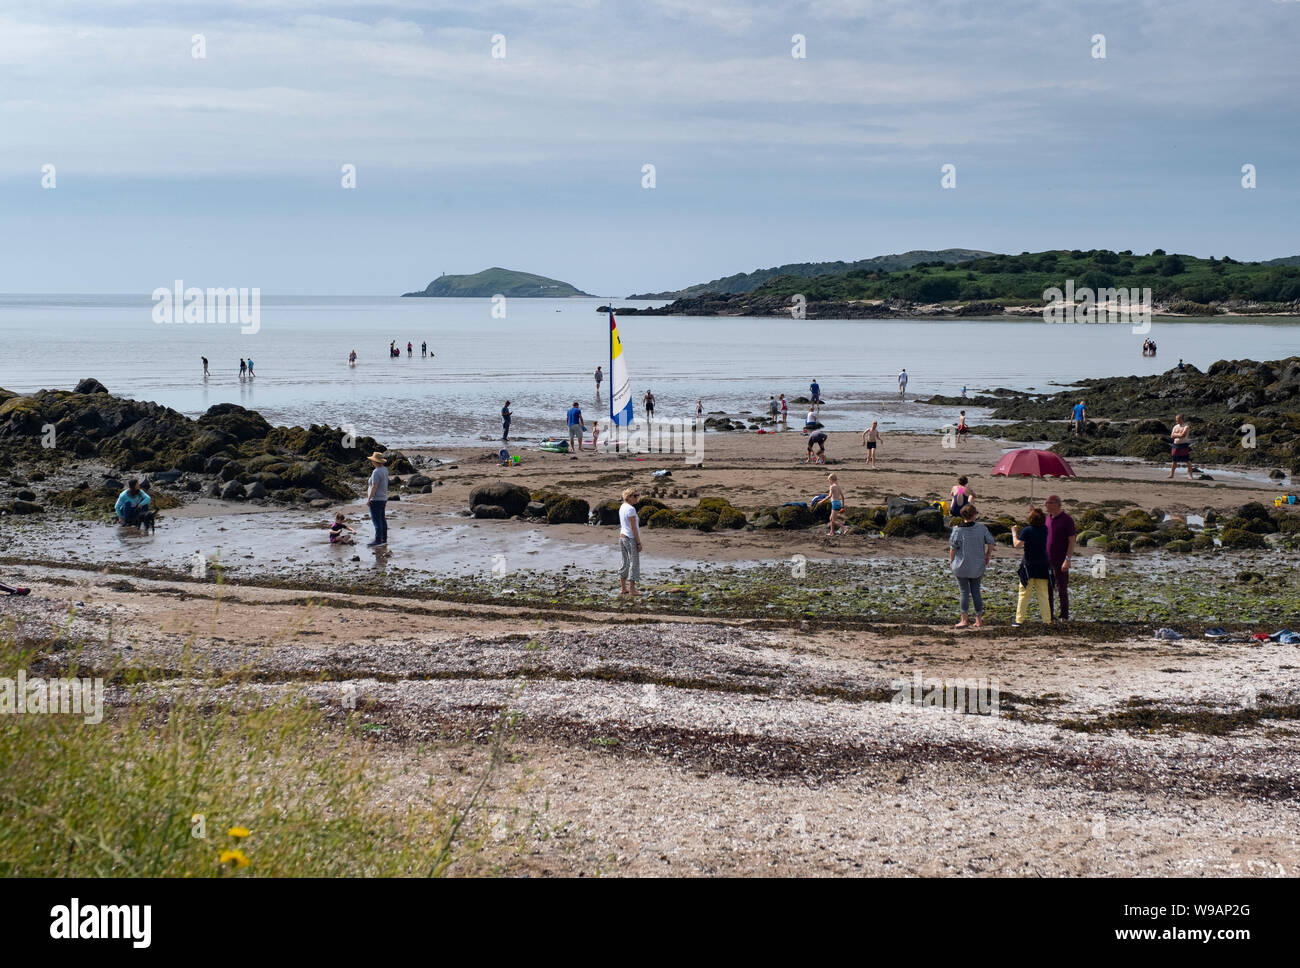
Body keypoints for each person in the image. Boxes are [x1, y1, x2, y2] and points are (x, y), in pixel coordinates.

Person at [948, 503, 995, 629]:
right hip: (977, 565)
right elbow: (991, 542)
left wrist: (951, 561)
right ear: (974, 515)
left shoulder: (957, 530)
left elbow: (953, 548)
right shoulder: (981, 528)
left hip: (961, 565)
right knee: (976, 591)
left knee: (964, 591)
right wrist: (988, 555)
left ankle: (964, 620)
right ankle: (978, 620)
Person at [1011, 508, 1053, 627]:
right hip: (1043, 566)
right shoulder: (1045, 530)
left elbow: (1017, 545)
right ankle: (1047, 620)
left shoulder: (1027, 530)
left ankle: (1019, 620)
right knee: (1043, 595)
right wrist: (1034, 511)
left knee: (1024, 594)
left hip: (1029, 566)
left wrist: (1014, 533)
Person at [1044, 494, 1076, 622]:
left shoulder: (1067, 520)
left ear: (1056, 504)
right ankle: (1050, 616)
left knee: (1062, 589)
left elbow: (1072, 540)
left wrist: (1067, 559)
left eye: (1048, 503)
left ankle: (1064, 616)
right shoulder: (1047, 518)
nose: (1046, 505)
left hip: (1061, 560)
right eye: (1046, 503)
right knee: (1048, 589)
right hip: (1047, 560)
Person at [618, 487, 642, 597]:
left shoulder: (622, 507)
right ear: (630, 497)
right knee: (634, 563)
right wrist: (638, 543)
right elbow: (633, 528)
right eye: (636, 496)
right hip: (630, 538)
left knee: (625, 562)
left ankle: (623, 588)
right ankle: (632, 590)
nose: (637, 498)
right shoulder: (631, 509)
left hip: (622, 537)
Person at [365, 452, 389, 548]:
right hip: (383, 498)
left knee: (377, 521)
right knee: (382, 520)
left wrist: (369, 498)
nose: (371, 462)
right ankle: (384, 538)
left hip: (376, 499)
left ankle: (378, 540)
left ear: (375, 462)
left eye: (372, 461)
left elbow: (374, 486)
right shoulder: (384, 470)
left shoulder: (376, 472)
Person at [1169, 413, 1193, 479]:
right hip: (1175, 445)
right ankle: (1171, 474)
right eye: (1176, 419)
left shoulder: (1186, 426)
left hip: (1184, 445)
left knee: (1187, 460)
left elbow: (1183, 435)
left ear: (1182, 419)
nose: (1176, 420)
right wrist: (1178, 434)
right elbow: (1172, 436)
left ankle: (1190, 475)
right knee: (1174, 461)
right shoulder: (1175, 426)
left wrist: (1176, 434)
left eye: (1178, 419)